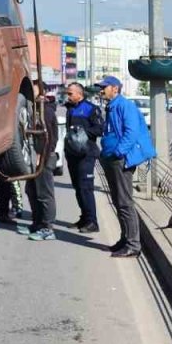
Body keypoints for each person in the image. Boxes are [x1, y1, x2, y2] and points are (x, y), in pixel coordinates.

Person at [97, 75, 155, 258]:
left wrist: (118, 152)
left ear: (115, 88)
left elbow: (131, 132)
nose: (101, 90)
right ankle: (124, 240)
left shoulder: (125, 106)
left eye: (104, 87)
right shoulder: (112, 106)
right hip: (112, 158)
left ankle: (133, 245)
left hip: (121, 159)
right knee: (117, 201)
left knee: (124, 202)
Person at [18, 80, 59, 241]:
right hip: (34, 158)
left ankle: (48, 227)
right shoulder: (33, 110)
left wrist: (42, 157)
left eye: (33, 89)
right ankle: (37, 223)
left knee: (44, 193)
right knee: (32, 191)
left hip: (43, 158)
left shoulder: (46, 111)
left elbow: (49, 139)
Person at [63, 82, 104, 233]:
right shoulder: (70, 108)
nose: (68, 96)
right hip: (72, 153)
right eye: (67, 93)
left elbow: (100, 129)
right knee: (78, 188)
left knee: (85, 188)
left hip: (86, 154)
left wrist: (83, 132)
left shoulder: (90, 109)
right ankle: (84, 218)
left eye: (70, 93)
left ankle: (92, 222)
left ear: (79, 94)